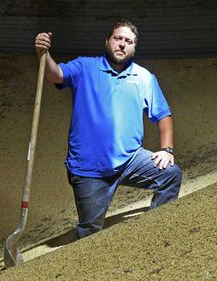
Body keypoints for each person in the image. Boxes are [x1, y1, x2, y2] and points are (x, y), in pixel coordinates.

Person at [34, 19, 182, 238]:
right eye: (118, 38)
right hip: (89, 169)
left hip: (130, 160)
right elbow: (55, 74)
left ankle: (155, 232)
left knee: (170, 174)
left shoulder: (144, 77)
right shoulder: (85, 66)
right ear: (107, 42)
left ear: (134, 47)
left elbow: (163, 115)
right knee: (90, 232)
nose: (122, 44)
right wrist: (42, 54)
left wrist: (166, 150)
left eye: (128, 41)